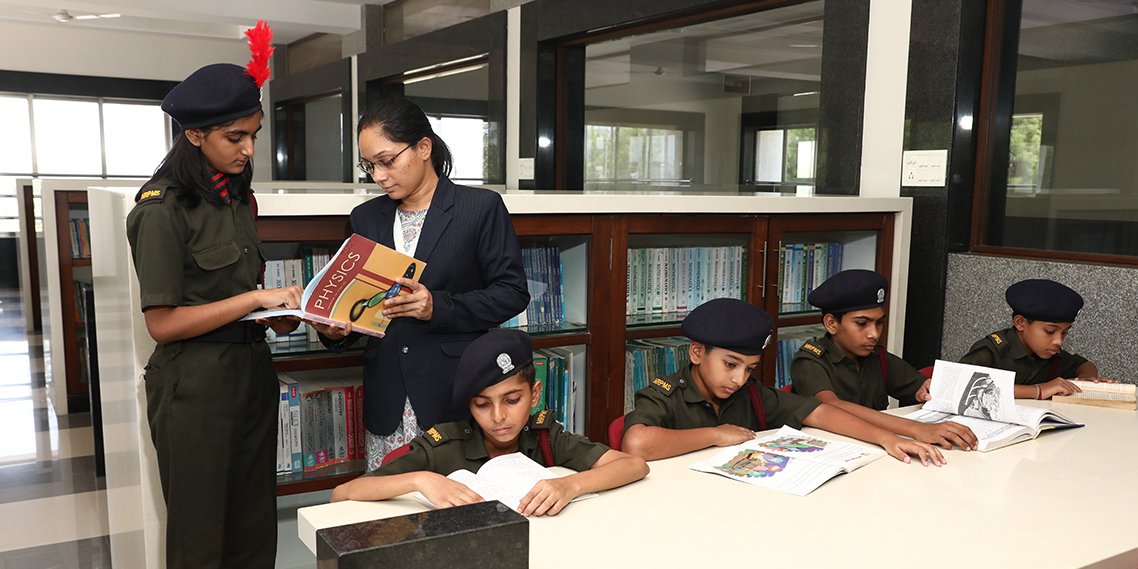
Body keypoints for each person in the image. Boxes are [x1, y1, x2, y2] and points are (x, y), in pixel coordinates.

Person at [124, 21, 294, 569]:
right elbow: (163, 323)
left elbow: (233, 290)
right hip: (194, 388)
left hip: (252, 375)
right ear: (195, 135)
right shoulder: (161, 209)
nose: (249, 149)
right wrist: (254, 301)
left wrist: (280, 313)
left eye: (254, 135)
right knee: (200, 538)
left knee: (253, 527)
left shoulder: (238, 197)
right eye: (235, 138)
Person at [312, 98, 529, 471]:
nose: (378, 176)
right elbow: (362, 301)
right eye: (369, 166)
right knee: (388, 501)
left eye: (387, 161)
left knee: (457, 498)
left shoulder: (479, 208)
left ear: (423, 147)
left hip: (453, 393)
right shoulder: (366, 218)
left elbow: (512, 292)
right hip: (387, 400)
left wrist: (437, 307)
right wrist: (335, 329)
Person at [331, 330, 649, 516]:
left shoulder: (543, 435)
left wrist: (569, 485)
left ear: (535, 394)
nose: (498, 417)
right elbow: (342, 494)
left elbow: (634, 465)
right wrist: (420, 480)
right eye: (482, 404)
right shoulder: (444, 445)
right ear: (470, 405)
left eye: (512, 400)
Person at [621, 298, 949, 465]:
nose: (739, 379)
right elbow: (636, 444)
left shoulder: (752, 394)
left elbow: (821, 411)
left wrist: (887, 439)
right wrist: (716, 435)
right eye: (730, 364)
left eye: (750, 368)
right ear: (696, 353)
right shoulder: (665, 394)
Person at [790, 270, 977, 451]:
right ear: (831, 323)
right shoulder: (809, 362)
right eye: (862, 323)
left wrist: (926, 391)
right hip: (831, 453)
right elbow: (832, 407)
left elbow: (920, 386)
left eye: (879, 322)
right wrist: (917, 429)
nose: (874, 334)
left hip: (877, 451)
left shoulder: (876, 356)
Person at [920, 279, 1112, 401]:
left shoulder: (1049, 353)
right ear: (1020, 323)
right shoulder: (993, 351)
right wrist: (1038, 391)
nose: (1058, 341)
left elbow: (1084, 365)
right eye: (1050, 331)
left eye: (1064, 333)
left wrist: (1086, 379)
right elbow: (959, 384)